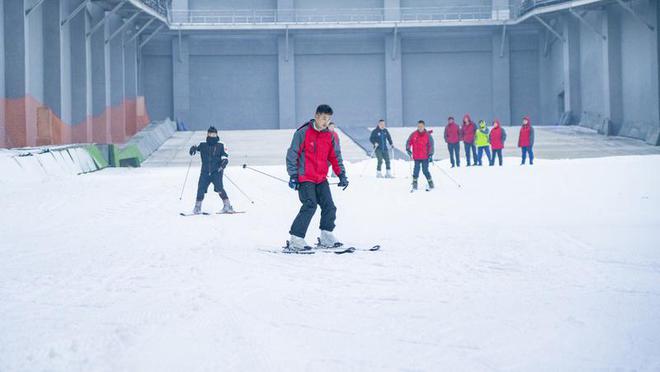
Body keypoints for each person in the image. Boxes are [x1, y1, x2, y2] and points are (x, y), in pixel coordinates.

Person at [285, 104, 349, 252]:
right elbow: (292, 154)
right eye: (324, 118)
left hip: (321, 178)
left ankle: (326, 236)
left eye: (329, 119)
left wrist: (342, 175)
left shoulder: (329, 136)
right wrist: (293, 175)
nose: (326, 122)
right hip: (305, 178)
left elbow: (335, 156)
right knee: (310, 205)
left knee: (329, 206)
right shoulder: (303, 133)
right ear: (317, 116)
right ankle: (296, 239)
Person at [189, 126, 234, 214]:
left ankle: (227, 206)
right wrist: (192, 149)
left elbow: (225, 156)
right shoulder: (203, 144)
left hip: (216, 171)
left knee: (219, 188)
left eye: (214, 134)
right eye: (210, 134)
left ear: (216, 135)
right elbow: (195, 151)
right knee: (201, 188)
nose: (212, 136)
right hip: (205, 172)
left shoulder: (221, 145)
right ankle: (197, 207)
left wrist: (223, 163)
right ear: (207, 134)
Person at [406, 120, 434, 191]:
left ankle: (430, 182)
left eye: (421, 126)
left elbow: (431, 145)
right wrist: (408, 149)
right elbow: (408, 142)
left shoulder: (428, 135)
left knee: (425, 170)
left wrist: (430, 154)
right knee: (416, 170)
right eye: (418, 126)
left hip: (425, 157)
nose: (420, 128)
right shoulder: (414, 134)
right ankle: (415, 182)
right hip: (417, 157)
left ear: (424, 126)